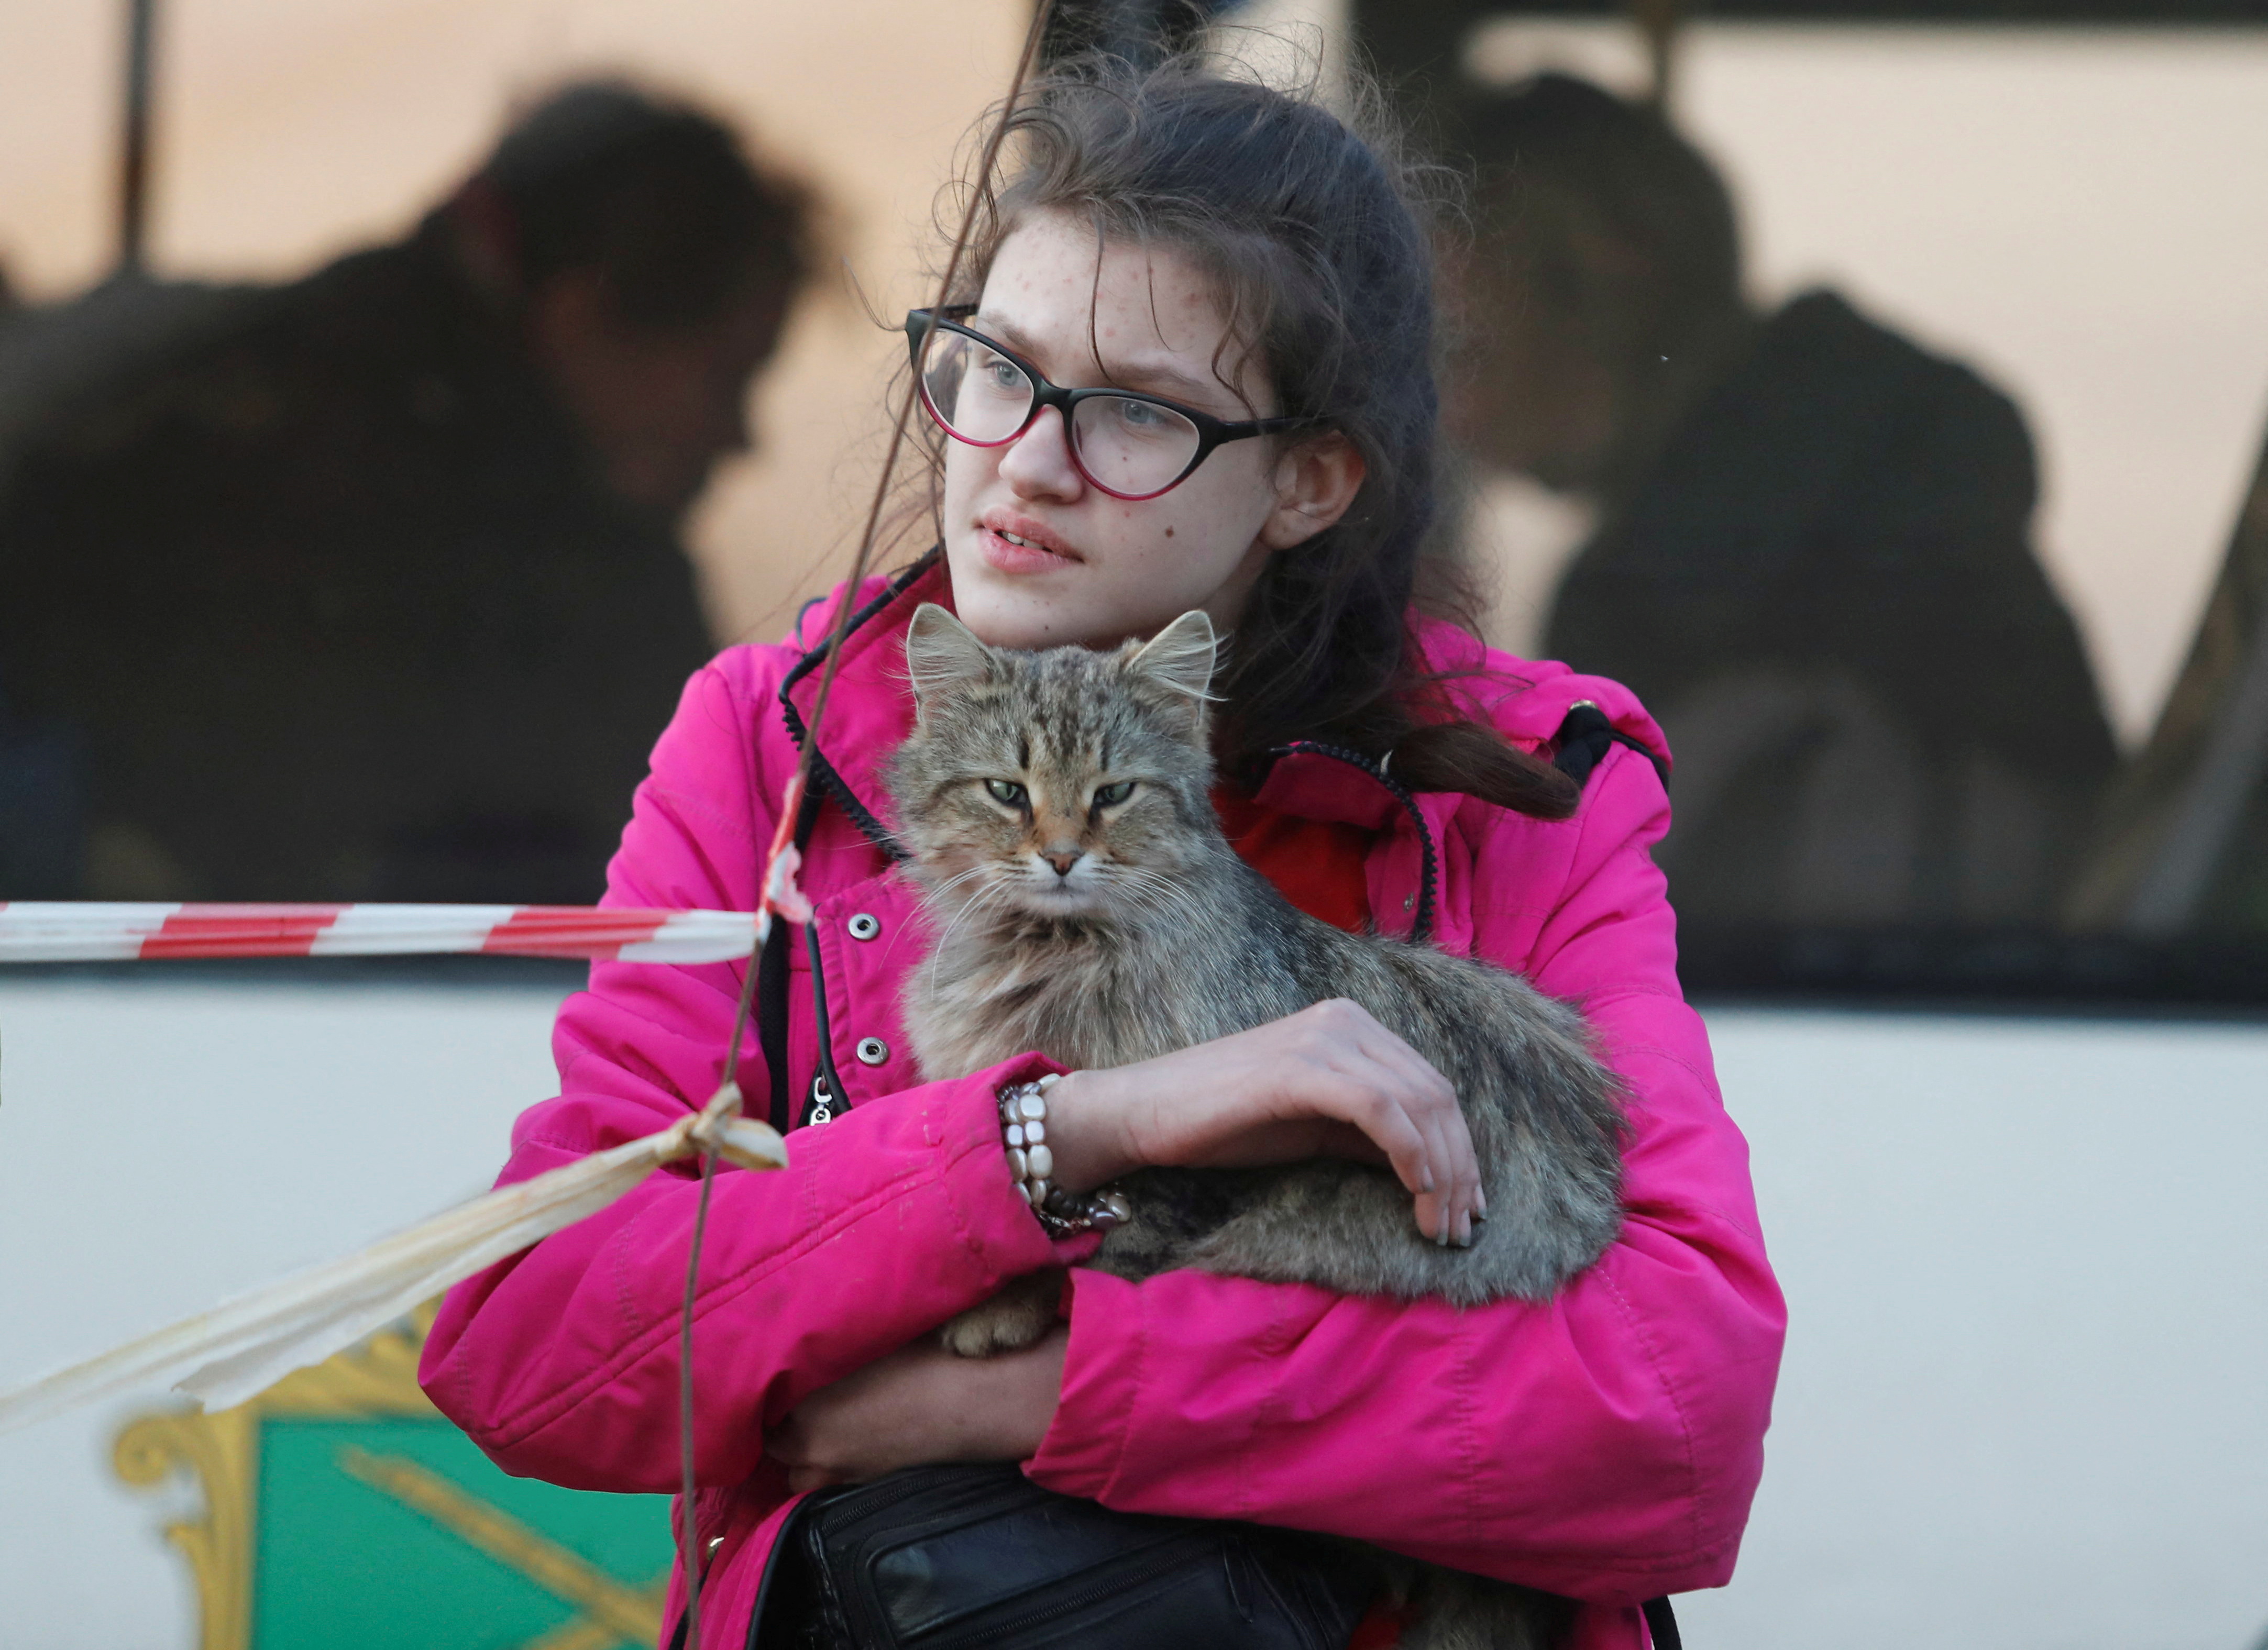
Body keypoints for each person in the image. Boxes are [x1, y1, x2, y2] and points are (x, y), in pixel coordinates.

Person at [419, 60, 1782, 1650]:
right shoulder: (763, 741)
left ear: (1311, 479)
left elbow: (1676, 1418)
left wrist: (1027, 1396)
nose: (1028, 458)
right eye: (996, 366)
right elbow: (532, 1345)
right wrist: (1066, 1135)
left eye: (1135, 408)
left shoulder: (1527, 790)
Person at [0, 82, 809, 902]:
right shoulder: (537, 568)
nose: (739, 438)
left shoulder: (192, 380)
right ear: (579, 319)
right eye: (725, 377)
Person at [1450, 73, 2118, 934]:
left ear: (1611, 271)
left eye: (1459, 345)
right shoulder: (1876, 501)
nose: (1446, 410)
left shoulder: (1740, 617)